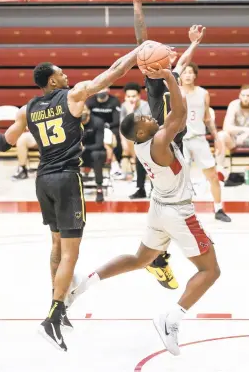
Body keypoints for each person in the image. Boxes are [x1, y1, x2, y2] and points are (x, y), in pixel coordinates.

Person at [0, 41, 149, 351]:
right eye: (61, 73)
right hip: (67, 179)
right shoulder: (74, 95)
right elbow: (110, 75)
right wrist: (137, 53)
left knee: (55, 245)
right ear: (52, 81)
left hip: (43, 180)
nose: (66, 76)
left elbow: (5, 143)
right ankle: (53, 315)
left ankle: (60, 305)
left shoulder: (27, 109)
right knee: (70, 252)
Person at [67, 67, 220, 356]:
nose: (150, 116)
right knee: (211, 270)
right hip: (178, 213)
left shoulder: (142, 145)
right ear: (140, 131)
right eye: (144, 118)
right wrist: (170, 78)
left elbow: (170, 116)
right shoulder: (160, 142)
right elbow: (179, 110)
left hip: (159, 207)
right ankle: (171, 319)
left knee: (141, 259)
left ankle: (82, 285)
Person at [132, 0, 206, 289]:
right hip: (162, 145)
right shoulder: (154, 79)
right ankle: (159, 258)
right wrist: (137, 4)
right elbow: (141, 41)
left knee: (167, 202)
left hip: (174, 144)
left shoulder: (171, 75)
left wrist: (193, 44)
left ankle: (158, 256)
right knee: (173, 203)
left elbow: (185, 60)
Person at [181, 62, 231, 222]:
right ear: (180, 75)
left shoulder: (203, 93)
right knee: (181, 179)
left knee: (213, 176)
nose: (188, 75)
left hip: (199, 138)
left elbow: (207, 118)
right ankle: (181, 212)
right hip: (180, 140)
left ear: (195, 75)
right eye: (185, 72)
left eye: (190, 72)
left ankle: (218, 209)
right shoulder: (174, 93)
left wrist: (216, 137)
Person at [120, 82, 150, 197]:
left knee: (151, 164)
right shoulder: (124, 106)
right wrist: (123, 143)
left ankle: (155, 189)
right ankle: (141, 189)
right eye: (128, 96)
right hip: (134, 140)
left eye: (133, 96)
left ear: (139, 96)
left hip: (148, 138)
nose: (131, 99)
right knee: (139, 163)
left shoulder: (146, 106)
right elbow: (123, 127)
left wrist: (131, 112)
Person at [86, 87, 123, 175]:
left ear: (108, 90)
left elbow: (117, 120)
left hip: (110, 126)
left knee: (113, 137)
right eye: (99, 89)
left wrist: (107, 126)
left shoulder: (114, 101)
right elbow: (87, 117)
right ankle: (86, 165)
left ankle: (115, 163)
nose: (101, 92)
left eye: (103, 89)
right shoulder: (90, 102)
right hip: (94, 127)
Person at [216, 84, 249, 176]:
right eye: (243, 95)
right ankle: (220, 169)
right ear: (239, 96)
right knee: (221, 135)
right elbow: (226, 127)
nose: (245, 98)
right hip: (235, 140)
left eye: (248, 96)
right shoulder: (234, 104)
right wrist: (246, 130)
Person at [80, 105, 106, 202]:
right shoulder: (73, 122)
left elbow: (99, 144)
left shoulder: (98, 122)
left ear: (89, 113)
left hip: (96, 151)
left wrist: (84, 148)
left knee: (96, 155)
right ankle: (71, 189)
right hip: (80, 153)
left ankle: (99, 189)